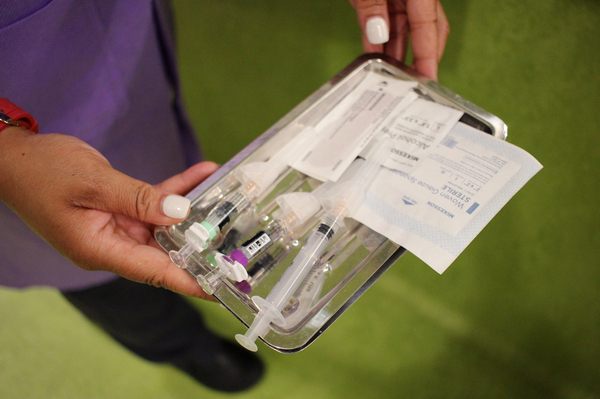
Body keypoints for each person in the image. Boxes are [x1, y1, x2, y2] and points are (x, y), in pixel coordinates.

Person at [0, 0, 448, 393]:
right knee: (98, 276)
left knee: (172, 199)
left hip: (117, 52)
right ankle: (177, 345)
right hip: (23, 132)